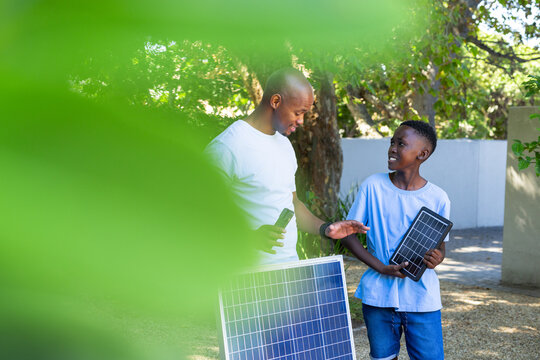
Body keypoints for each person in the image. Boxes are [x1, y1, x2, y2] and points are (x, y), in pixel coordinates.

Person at [205, 68, 368, 264]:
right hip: (246, 276)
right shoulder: (228, 147)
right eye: (298, 113)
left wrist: (326, 229)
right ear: (275, 101)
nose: (301, 121)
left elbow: (293, 204)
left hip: (289, 269)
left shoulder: (283, 144)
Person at [336, 120, 450, 360]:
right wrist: (381, 267)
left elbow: (441, 243)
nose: (392, 148)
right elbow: (348, 234)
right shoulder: (373, 186)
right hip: (379, 296)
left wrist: (438, 257)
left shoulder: (438, 198)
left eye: (401, 143)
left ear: (423, 153)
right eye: (392, 142)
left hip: (422, 299)